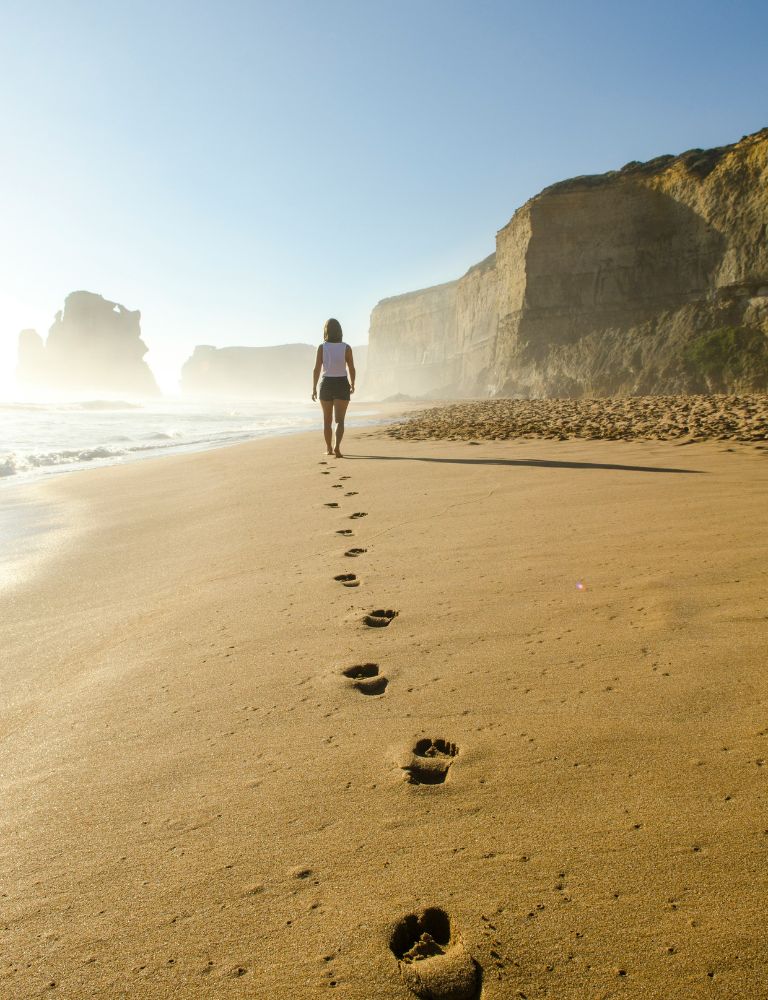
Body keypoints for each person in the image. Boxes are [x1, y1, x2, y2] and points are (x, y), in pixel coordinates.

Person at [312, 318, 355, 457]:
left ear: (326, 331)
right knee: (339, 420)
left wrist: (313, 388)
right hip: (342, 383)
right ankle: (337, 447)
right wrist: (353, 384)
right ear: (340, 331)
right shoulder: (346, 347)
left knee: (327, 420)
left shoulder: (322, 347)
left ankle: (329, 448)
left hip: (326, 384)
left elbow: (316, 369)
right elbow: (352, 368)